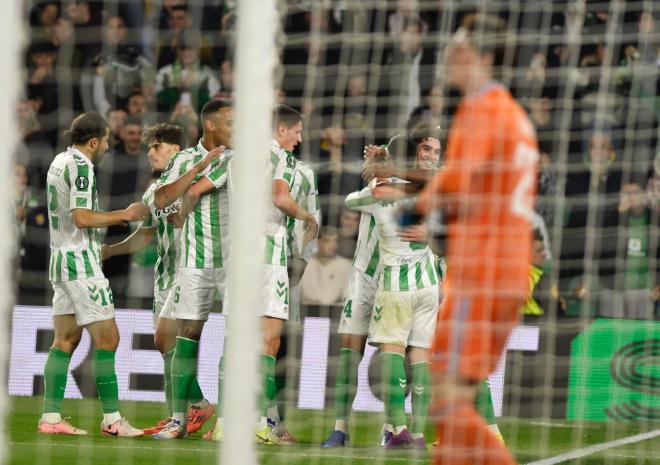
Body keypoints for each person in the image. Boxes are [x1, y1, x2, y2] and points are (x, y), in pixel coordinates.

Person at [415, 14, 538, 465]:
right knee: (452, 414)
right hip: (507, 272)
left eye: (460, 51)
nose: (449, 58)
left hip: (482, 273)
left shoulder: (481, 109)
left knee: (445, 400)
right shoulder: (515, 116)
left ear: (484, 58)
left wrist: (417, 205)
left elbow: (458, 179)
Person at [322, 123, 442, 449]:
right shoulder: (387, 182)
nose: (430, 156)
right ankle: (340, 428)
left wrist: (382, 174)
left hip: (398, 277)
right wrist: (374, 171)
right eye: (425, 150)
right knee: (352, 351)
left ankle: (394, 427)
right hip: (368, 275)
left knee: (403, 350)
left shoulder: (413, 183)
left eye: (434, 151)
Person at [100, 123, 215, 436]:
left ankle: (195, 409)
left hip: (189, 270)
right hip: (163, 275)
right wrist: (112, 250)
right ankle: (181, 413)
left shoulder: (196, 179)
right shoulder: (154, 191)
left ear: (176, 150)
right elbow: (146, 235)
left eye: (157, 146)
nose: (150, 152)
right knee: (166, 347)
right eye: (150, 147)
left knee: (167, 339)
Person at [39, 112, 146, 436]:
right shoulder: (81, 165)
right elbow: (82, 218)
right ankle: (112, 419)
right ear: (95, 141)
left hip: (59, 260)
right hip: (80, 262)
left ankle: (51, 418)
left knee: (65, 340)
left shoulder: (58, 160)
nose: (108, 146)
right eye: (108, 139)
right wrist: (124, 214)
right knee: (108, 338)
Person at [146, 100, 229, 439]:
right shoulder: (182, 159)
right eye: (230, 121)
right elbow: (161, 199)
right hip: (192, 262)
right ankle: (181, 418)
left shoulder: (236, 157)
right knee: (170, 336)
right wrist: (197, 168)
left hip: (230, 262)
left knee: (243, 339)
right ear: (211, 124)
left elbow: (189, 195)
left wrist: (189, 191)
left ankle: (236, 419)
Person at [299, 227, 351, 306]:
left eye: (335, 241)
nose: (333, 245)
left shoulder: (345, 265)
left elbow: (347, 296)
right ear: (318, 242)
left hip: (334, 312)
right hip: (305, 311)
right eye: (327, 241)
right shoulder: (304, 263)